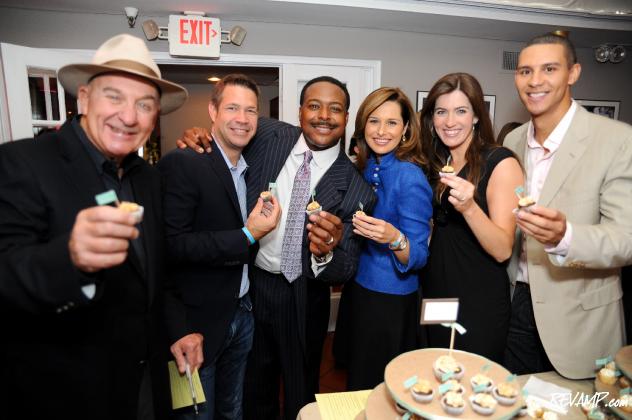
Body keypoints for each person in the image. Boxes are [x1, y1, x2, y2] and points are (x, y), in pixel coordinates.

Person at [0, 34, 202, 419]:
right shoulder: (23, 163)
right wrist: (70, 257)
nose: (129, 116)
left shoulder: (148, 178)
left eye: (145, 104)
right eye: (115, 97)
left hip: (144, 384)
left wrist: (178, 328)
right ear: (84, 99)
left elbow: (158, 271)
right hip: (64, 392)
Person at [178, 76, 376, 419]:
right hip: (248, 288)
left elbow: (348, 266)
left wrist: (325, 251)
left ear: (346, 117)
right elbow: (228, 132)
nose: (323, 116)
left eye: (335, 109)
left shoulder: (357, 190)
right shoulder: (267, 134)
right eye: (314, 105)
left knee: (300, 394)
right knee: (252, 388)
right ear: (299, 112)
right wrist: (201, 136)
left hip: (302, 298)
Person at [503, 33, 632, 378]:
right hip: (516, 305)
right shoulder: (511, 141)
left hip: (581, 317)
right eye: (525, 71)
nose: (535, 81)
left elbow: (626, 239)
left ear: (573, 73)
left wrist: (565, 237)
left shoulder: (618, 140)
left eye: (549, 69)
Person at [157, 74, 282, 420]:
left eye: (250, 111)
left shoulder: (248, 169)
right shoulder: (183, 162)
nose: (242, 118)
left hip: (241, 314)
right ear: (212, 111)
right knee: (194, 414)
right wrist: (247, 234)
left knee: (233, 409)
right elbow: (171, 247)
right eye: (232, 108)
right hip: (193, 327)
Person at [420, 73, 524, 364]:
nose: (449, 121)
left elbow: (503, 249)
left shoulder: (501, 162)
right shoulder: (438, 162)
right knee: (437, 374)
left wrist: (469, 208)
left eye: (461, 111)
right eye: (441, 111)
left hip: (478, 299)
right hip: (438, 293)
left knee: (472, 387)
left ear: (477, 116)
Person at [333, 87, 432, 390]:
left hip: (389, 300)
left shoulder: (409, 176)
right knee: (357, 380)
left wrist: (394, 237)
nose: (381, 131)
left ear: (405, 129)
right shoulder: (364, 167)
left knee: (380, 388)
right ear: (363, 125)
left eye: (392, 123)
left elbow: (418, 256)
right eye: (374, 121)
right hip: (358, 289)